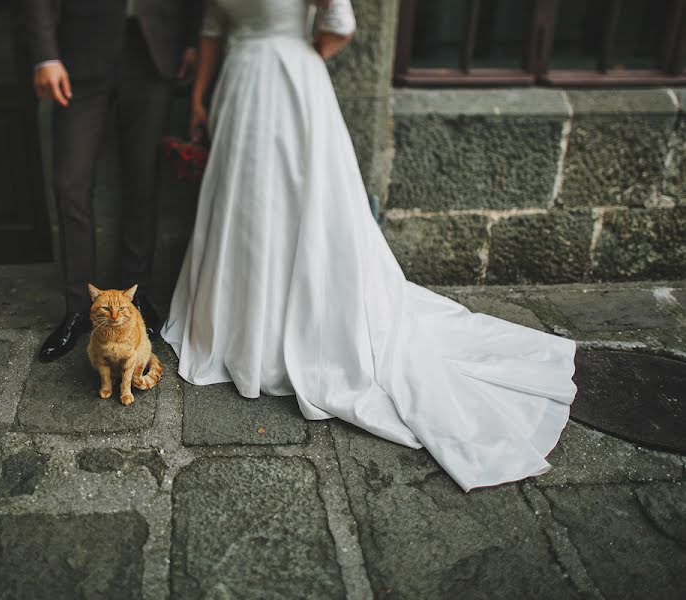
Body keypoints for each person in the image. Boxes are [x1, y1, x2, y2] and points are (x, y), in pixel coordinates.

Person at [161, 0, 578, 491]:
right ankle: (241, 327)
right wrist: (201, 94)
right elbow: (221, 25)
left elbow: (338, 25)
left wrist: (292, 54)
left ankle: (276, 331)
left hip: (288, 84)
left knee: (298, 208)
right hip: (250, 81)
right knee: (245, 206)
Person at [22, 0, 203, 361]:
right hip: (78, 52)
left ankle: (135, 301)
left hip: (156, 50)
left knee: (143, 181)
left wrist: (191, 41)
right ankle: (76, 309)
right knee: (69, 183)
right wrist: (45, 56)